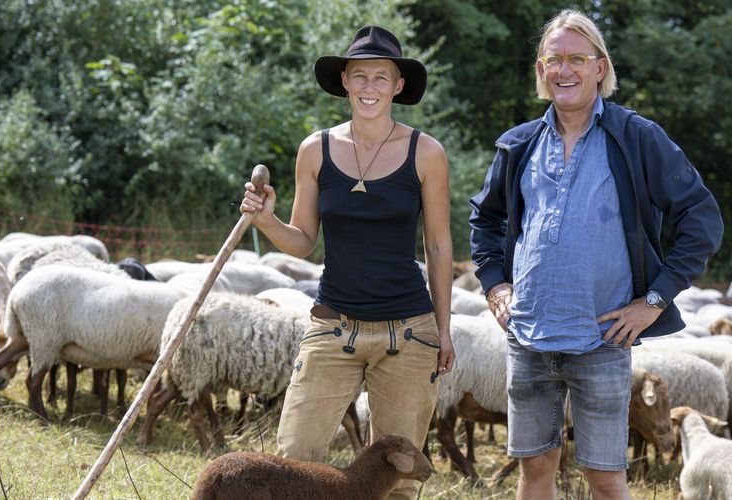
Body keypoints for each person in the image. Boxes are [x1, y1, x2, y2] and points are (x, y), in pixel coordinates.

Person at [469, 9, 723, 500]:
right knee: (535, 471)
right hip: (528, 336)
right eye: (553, 60)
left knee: (606, 479)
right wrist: (496, 283)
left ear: (600, 68)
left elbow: (701, 216)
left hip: (602, 339)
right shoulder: (518, 144)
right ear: (542, 71)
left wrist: (654, 300)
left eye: (577, 59)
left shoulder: (636, 137)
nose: (565, 70)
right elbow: (485, 219)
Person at [240, 25, 454, 500]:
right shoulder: (315, 149)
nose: (370, 87)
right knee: (294, 461)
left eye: (382, 77)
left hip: (409, 332)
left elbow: (438, 247)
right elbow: (300, 242)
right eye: (360, 76)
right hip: (332, 325)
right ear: (344, 83)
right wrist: (267, 219)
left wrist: (445, 330)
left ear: (399, 85)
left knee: (396, 478)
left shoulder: (427, 153)